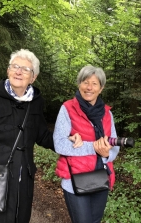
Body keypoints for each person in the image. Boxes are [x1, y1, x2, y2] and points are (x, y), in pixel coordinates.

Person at [0, 49, 82, 223]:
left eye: (25, 69)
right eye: (15, 67)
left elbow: (42, 136)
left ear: (33, 77)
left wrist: (67, 139)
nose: (19, 71)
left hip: (22, 185)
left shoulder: (35, 103)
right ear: (8, 71)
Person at [53, 65, 120, 223]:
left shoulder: (107, 113)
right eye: (85, 82)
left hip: (101, 177)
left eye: (94, 83)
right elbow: (59, 144)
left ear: (101, 88)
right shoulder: (67, 109)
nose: (89, 87)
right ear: (79, 84)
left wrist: (107, 154)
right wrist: (94, 147)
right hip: (75, 179)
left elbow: (114, 145)